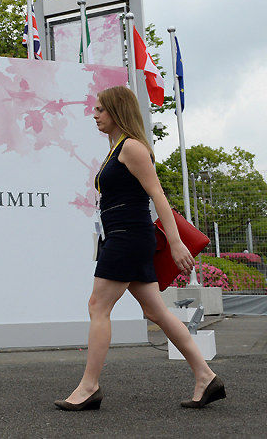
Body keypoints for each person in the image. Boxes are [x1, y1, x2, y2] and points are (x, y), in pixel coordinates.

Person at [55, 85, 225, 411]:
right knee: (155, 311)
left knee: (98, 306)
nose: (94, 114)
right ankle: (206, 376)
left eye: (100, 109)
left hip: (128, 237)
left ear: (117, 111)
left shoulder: (132, 147)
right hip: (122, 236)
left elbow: (157, 194)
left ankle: (89, 387)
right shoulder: (117, 148)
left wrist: (175, 243)